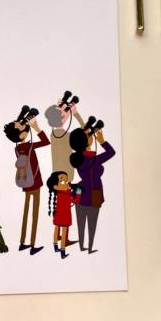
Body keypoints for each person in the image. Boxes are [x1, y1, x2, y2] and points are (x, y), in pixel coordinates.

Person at [3, 112, 50, 255]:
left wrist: (19, 121)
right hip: (35, 182)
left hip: (25, 182)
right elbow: (46, 142)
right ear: (22, 135)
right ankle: (33, 245)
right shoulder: (29, 146)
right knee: (34, 214)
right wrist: (37, 128)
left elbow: (16, 129)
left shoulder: (17, 149)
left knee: (25, 212)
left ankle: (22, 242)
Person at [69, 121, 115, 254]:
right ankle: (89, 248)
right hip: (94, 194)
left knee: (81, 223)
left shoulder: (77, 159)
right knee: (92, 223)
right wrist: (102, 141)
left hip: (81, 192)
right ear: (86, 143)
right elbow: (111, 152)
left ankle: (82, 246)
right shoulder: (94, 159)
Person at [43, 98, 84, 182]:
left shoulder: (53, 134)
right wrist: (76, 113)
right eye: (65, 111)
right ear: (61, 118)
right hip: (66, 172)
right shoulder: (65, 136)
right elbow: (84, 130)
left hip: (58, 171)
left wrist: (59, 107)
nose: (68, 112)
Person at [46, 171, 81, 259]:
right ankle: (62, 252)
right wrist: (78, 193)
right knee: (64, 233)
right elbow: (74, 201)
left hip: (58, 214)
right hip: (65, 215)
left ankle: (55, 247)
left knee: (57, 228)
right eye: (62, 179)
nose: (65, 181)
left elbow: (62, 187)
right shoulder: (66, 190)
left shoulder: (57, 189)